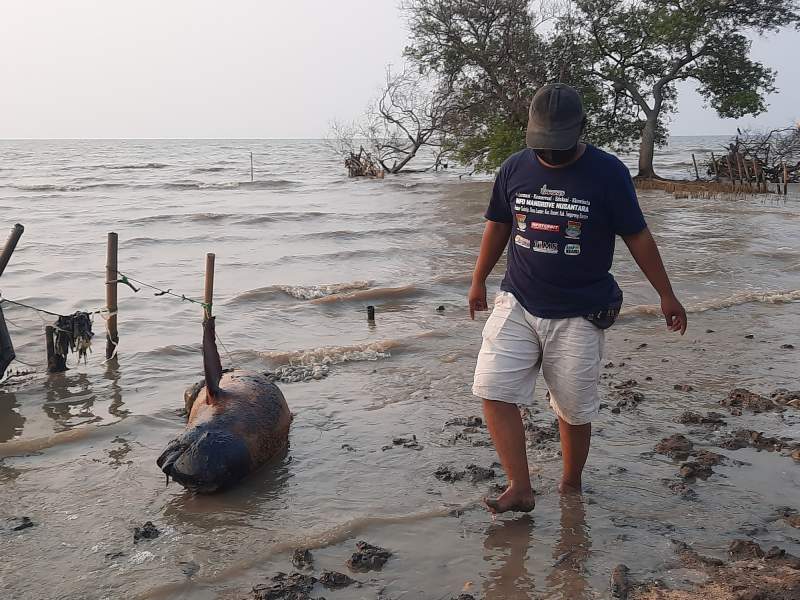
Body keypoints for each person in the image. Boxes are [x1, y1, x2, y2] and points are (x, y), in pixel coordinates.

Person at [468, 83, 687, 514]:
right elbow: (498, 225)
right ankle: (521, 487)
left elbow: (637, 235)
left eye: (558, 146)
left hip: (581, 311)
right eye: (542, 146)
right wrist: (478, 281)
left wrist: (667, 294)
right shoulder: (513, 168)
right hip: (518, 299)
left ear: (581, 130)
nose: (549, 155)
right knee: (492, 389)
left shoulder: (608, 173)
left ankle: (571, 484)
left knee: (573, 409)